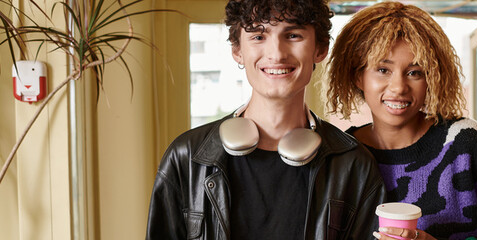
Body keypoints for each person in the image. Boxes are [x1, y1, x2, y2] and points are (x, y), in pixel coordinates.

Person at [146, 0, 386, 238]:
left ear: (320, 49)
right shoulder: (186, 157)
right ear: (237, 50)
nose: (277, 54)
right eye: (258, 36)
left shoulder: (354, 165)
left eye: (292, 35)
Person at [327, 2, 477, 240]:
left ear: (431, 78)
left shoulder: (465, 142)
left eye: (414, 72)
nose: (398, 87)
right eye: (383, 70)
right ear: (358, 76)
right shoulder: (341, 156)